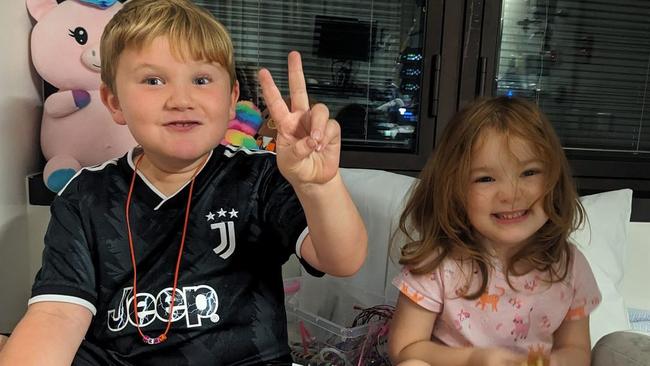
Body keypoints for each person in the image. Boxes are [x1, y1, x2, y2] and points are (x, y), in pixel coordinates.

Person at [0, 0, 367, 365]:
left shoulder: (260, 177)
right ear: (114, 102)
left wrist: (319, 186)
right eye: (153, 80)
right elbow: (57, 316)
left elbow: (342, 259)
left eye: (202, 80)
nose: (181, 99)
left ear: (231, 99)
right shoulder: (84, 196)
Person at [387, 96, 601, 366]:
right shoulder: (437, 264)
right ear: (453, 190)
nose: (511, 194)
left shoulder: (569, 265)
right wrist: (472, 359)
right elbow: (405, 349)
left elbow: (577, 351)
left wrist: (551, 363)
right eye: (485, 178)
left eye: (529, 172)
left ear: (554, 180)